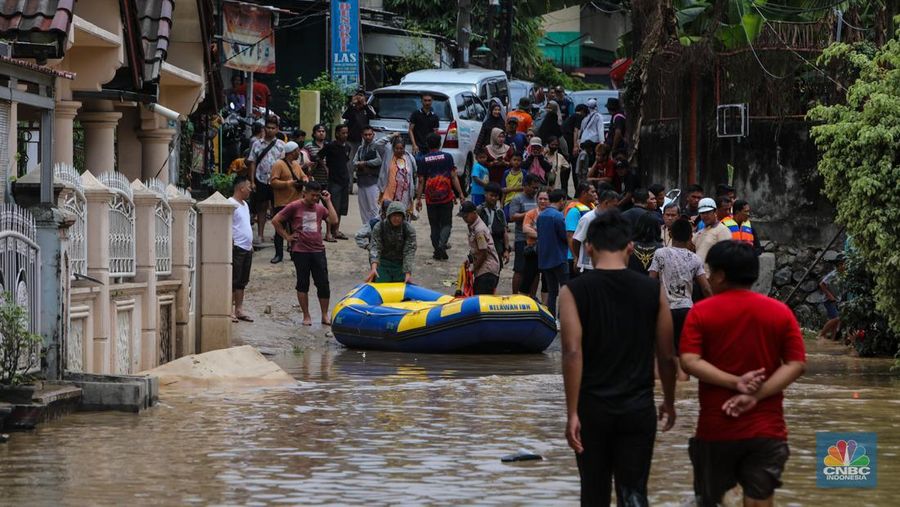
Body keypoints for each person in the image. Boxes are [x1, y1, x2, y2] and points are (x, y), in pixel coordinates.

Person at [559, 210, 677, 506]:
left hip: (592, 409)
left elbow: (572, 352)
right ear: (630, 248)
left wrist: (572, 412)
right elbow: (666, 355)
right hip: (637, 409)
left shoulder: (573, 291)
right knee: (634, 492)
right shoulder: (652, 290)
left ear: (589, 247)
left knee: (593, 493)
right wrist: (670, 401)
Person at [680, 241, 806, 507]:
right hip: (767, 431)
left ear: (722, 275)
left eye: (710, 272)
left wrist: (735, 382)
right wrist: (756, 395)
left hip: (716, 430)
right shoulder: (780, 312)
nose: (709, 277)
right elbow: (796, 364)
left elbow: (689, 361)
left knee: (709, 501)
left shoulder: (701, 312)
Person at [649, 218, 713, 380]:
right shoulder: (695, 259)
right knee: (682, 355)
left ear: (670, 233)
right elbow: (705, 288)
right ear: (690, 237)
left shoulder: (660, 254)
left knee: (660, 356)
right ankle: (683, 394)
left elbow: (651, 282)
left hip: (665, 310)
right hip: (686, 310)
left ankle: (660, 395)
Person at [272, 181, 339, 326]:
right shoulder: (294, 206)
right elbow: (276, 220)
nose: (315, 198)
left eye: (317, 196)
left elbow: (334, 220)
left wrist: (328, 201)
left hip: (318, 250)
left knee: (323, 284)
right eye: (313, 195)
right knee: (302, 283)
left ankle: (324, 315)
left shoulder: (320, 208)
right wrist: (287, 237)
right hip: (300, 251)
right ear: (305, 193)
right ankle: (306, 315)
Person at [415, 132, 463, 260]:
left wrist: (418, 199)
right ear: (440, 143)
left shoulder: (422, 160)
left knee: (434, 225)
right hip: (446, 196)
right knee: (446, 223)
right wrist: (461, 194)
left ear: (428, 145)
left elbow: (421, 181)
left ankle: (437, 249)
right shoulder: (447, 157)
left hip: (431, 198)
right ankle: (442, 244)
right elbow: (453, 177)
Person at [246, 117, 285, 245]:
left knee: (276, 208)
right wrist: (252, 181)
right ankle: (260, 235)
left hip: (276, 181)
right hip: (260, 179)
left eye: (273, 128)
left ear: (277, 130)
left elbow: (285, 164)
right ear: (264, 128)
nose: (270, 130)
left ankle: (277, 234)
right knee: (261, 207)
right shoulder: (257, 144)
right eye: (268, 127)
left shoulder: (281, 145)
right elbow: (252, 162)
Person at [268, 141, 309, 264]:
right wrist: (288, 183)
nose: (299, 153)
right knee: (279, 228)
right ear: (292, 152)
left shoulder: (296, 164)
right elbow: (273, 182)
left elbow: (303, 175)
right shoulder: (279, 164)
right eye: (297, 151)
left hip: (296, 201)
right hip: (282, 202)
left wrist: (305, 179)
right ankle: (278, 254)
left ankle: (294, 252)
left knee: (296, 228)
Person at [367, 201, 417, 283]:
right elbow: (375, 247)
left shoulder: (408, 229)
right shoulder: (379, 227)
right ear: (389, 215)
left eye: (399, 216)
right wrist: (374, 268)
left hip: (400, 264)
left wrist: (408, 273)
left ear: (403, 217)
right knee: (381, 286)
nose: (396, 218)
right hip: (383, 263)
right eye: (394, 215)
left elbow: (409, 251)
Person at [538, 190, 570, 316]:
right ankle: (561, 317)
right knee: (565, 290)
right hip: (559, 257)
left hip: (545, 258)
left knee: (552, 291)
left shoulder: (541, 215)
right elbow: (564, 236)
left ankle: (551, 317)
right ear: (562, 200)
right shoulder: (558, 216)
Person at [571, 190, 620, 273]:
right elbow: (576, 240)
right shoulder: (588, 218)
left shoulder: (612, 218)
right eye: (614, 206)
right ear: (606, 203)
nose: (616, 209)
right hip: (589, 266)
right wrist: (578, 258)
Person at [459, 200, 502, 295]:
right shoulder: (472, 226)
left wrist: (473, 268)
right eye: (463, 217)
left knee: (480, 301)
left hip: (487, 271)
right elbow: (476, 248)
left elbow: (483, 253)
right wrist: (470, 259)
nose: (464, 219)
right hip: (483, 270)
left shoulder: (479, 230)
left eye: (466, 216)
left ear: (474, 213)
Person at [320, 124, 352, 241]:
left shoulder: (348, 147)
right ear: (337, 133)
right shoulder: (330, 146)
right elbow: (319, 156)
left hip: (344, 180)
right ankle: (329, 232)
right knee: (333, 207)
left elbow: (346, 162)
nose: (345, 135)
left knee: (342, 208)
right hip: (334, 180)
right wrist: (325, 168)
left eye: (346, 133)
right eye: (343, 133)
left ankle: (336, 230)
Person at [509, 175, 541, 295]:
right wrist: (529, 214)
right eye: (533, 188)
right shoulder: (518, 199)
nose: (535, 190)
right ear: (525, 186)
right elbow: (512, 217)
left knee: (535, 271)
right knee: (520, 269)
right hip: (521, 239)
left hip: (536, 239)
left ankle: (532, 297)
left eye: (537, 188)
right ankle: (515, 295)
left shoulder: (537, 199)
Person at [229, 177, 254, 323]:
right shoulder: (230, 203)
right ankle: (229, 310)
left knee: (242, 281)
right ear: (241, 188)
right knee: (234, 279)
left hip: (246, 247)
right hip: (237, 246)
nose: (250, 189)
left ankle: (239, 309)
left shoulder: (245, 204)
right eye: (249, 187)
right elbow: (228, 224)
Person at [376, 135, 418, 216]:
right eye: (396, 148)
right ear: (393, 148)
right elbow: (378, 144)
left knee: (403, 219)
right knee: (388, 219)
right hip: (389, 196)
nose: (399, 150)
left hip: (405, 197)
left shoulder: (409, 158)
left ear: (404, 148)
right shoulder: (388, 155)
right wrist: (392, 135)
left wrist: (414, 191)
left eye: (401, 148)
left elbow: (414, 175)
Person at [520, 190, 550, 298]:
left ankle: (547, 309)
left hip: (548, 252)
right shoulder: (531, 213)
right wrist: (545, 236)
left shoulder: (553, 214)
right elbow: (526, 229)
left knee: (547, 283)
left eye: (545, 199)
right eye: (540, 198)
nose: (542, 201)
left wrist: (536, 233)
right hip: (533, 251)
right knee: (526, 281)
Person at [352, 126, 383, 224]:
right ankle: (366, 229)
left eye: (370, 134)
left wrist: (365, 163)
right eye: (365, 135)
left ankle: (376, 229)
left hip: (373, 181)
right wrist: (359, 164)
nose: (368, 137)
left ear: (373, 135)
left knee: (374, 208)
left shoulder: (376, 146)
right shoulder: (361, 148)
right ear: (362, 135)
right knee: (364, 209)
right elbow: (354, 161)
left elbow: (379, 160)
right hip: (361, 182)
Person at [565, 183, 596, 278]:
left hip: (588, 259)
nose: (595, 194)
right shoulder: (574, 211)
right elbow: (570, 236)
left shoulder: (593, 208)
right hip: (576, 259)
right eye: (592, 192)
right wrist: (576, 258)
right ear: (584, 193)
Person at [477, 183, 511, 268]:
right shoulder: (479, 210)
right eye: (491, 195)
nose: (493, 198)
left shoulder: (499, 212)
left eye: (496, 196)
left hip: (497, 247)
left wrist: (506, 250)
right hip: (482, 247)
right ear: (485, 194)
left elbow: (504, 232)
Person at [694, 197, 733, 263]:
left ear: (715, 211)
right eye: (702, 213)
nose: (705, 215)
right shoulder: (699, 233)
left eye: (708, 212)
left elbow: (727, 257)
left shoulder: (723, 230)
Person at [342, 89, 376, 165]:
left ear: (365, 97)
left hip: (364, 139)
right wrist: (352, 104)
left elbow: (373, 116)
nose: (359, 97)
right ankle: (350, 176)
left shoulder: (368, 107)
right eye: (358, 95)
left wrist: (365, 105)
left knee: (363, 158)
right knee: (350, 160)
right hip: (351, 139)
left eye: (361, 95)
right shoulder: (351, 108)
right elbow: (344, 116)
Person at [817, 255, 845, 340]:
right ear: (839, 265)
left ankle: (832, 339)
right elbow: (822, 284)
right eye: (843, 264)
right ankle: (821, 334)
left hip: (836, 299)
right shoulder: (833, 274)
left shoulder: (843, 274)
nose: (845, 266)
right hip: (828, 300)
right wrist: (829, 295)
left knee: (836, 321)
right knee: (837, 318)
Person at [576, 98, 604, 168]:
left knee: (585, 158)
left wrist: (578, 140)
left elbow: (581, 129)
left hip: (584, 141)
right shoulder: (598, 116)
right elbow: (600, 129)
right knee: (594, 160)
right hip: (594, 141)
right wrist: (602, 142)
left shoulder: (585, 117)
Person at [563, 104, 588, 174]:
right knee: (574, 164)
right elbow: (576, 130)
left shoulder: (571, 117)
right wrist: (575, 146)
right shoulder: (579, 116)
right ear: (583, 111)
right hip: (570, 141)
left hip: (564, 141)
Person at [502, 153, 525, 218]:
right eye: (514, 160)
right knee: (506, 217)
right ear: (510, 161)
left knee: (519, 217)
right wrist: (501, 203)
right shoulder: (506, 173)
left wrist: (510, 189)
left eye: (519, 160)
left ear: (522, 161)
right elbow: (504, 189)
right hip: (508, 200)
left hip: (520, 200)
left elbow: (524, 188)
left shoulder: (524, 173)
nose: (516, 162)